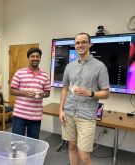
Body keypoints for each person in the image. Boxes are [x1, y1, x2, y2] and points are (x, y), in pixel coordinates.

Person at [59, 32, 110, 165]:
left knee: (84, 155)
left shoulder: (99, 66)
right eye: (77, 43)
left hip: (86, 116)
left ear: (89, 44)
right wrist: (61, 110)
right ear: (75, 45)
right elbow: (65, 88)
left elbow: (106, 93)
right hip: (69, 112)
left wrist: (90, 93)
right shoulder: (69, 66)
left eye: (83, 42)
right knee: (71, 146)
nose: (80, 45)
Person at [10, 47, 51, 139]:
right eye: (32, 56)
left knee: (33, 143)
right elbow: (12, 91)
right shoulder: (19, 73)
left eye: (37, 56)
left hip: (35, 116)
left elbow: (47, 92)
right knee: (16, 142)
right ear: (28, 58)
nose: (35, 58)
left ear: (40, 58)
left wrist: (42, 95)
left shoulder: (45, 75)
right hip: (19, 114)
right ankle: (16, 154)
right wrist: (25, 93)